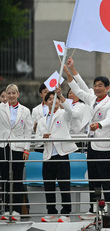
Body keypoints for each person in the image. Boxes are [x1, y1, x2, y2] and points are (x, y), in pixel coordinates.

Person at [65, 58, 110, 219]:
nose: (96, 88)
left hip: (104, 146)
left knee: (105, 179)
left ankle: (107, 205)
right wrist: (70, 72)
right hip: (92, 146)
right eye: (95, 85)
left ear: (107, 88)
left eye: (100, 85)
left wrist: (99, 125)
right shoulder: (92, 98)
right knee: (93, 179)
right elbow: (79, 88)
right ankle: (93, 206)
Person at [36, 89, 78, 223]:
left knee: (64, 185)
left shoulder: (63, 114)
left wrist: (60, 94)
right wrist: (43, 137)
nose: (52, 101)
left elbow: (71, 111)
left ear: (59, 101)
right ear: (46, 102)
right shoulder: (42, 120)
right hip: (48, 155)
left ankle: (66, 212)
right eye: (49, 99)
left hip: (61, 154)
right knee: (48, 185)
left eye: (55, 99)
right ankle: (51, 211)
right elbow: (37, 139)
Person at [0, 84, 32, 221]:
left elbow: (28, 131)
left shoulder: (25, 110)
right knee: (5, 179)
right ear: (6, 95)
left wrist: (27, 148)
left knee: (18, 178)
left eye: (14, 93)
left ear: (18, 94)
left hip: (18, 147)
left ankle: (17, 210)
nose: (11, 96)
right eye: (9, 93)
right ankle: (6, 209)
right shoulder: (1, 108)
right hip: (3, 145)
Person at [31, 84, 49, 152]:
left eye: (49, 92)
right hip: (40, 142)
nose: (47, 94)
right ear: (41, 94)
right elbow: (31, 129)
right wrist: (34, 127)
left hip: (53, 141)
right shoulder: (35, 110)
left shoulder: (57, 108)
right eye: (45, 92)